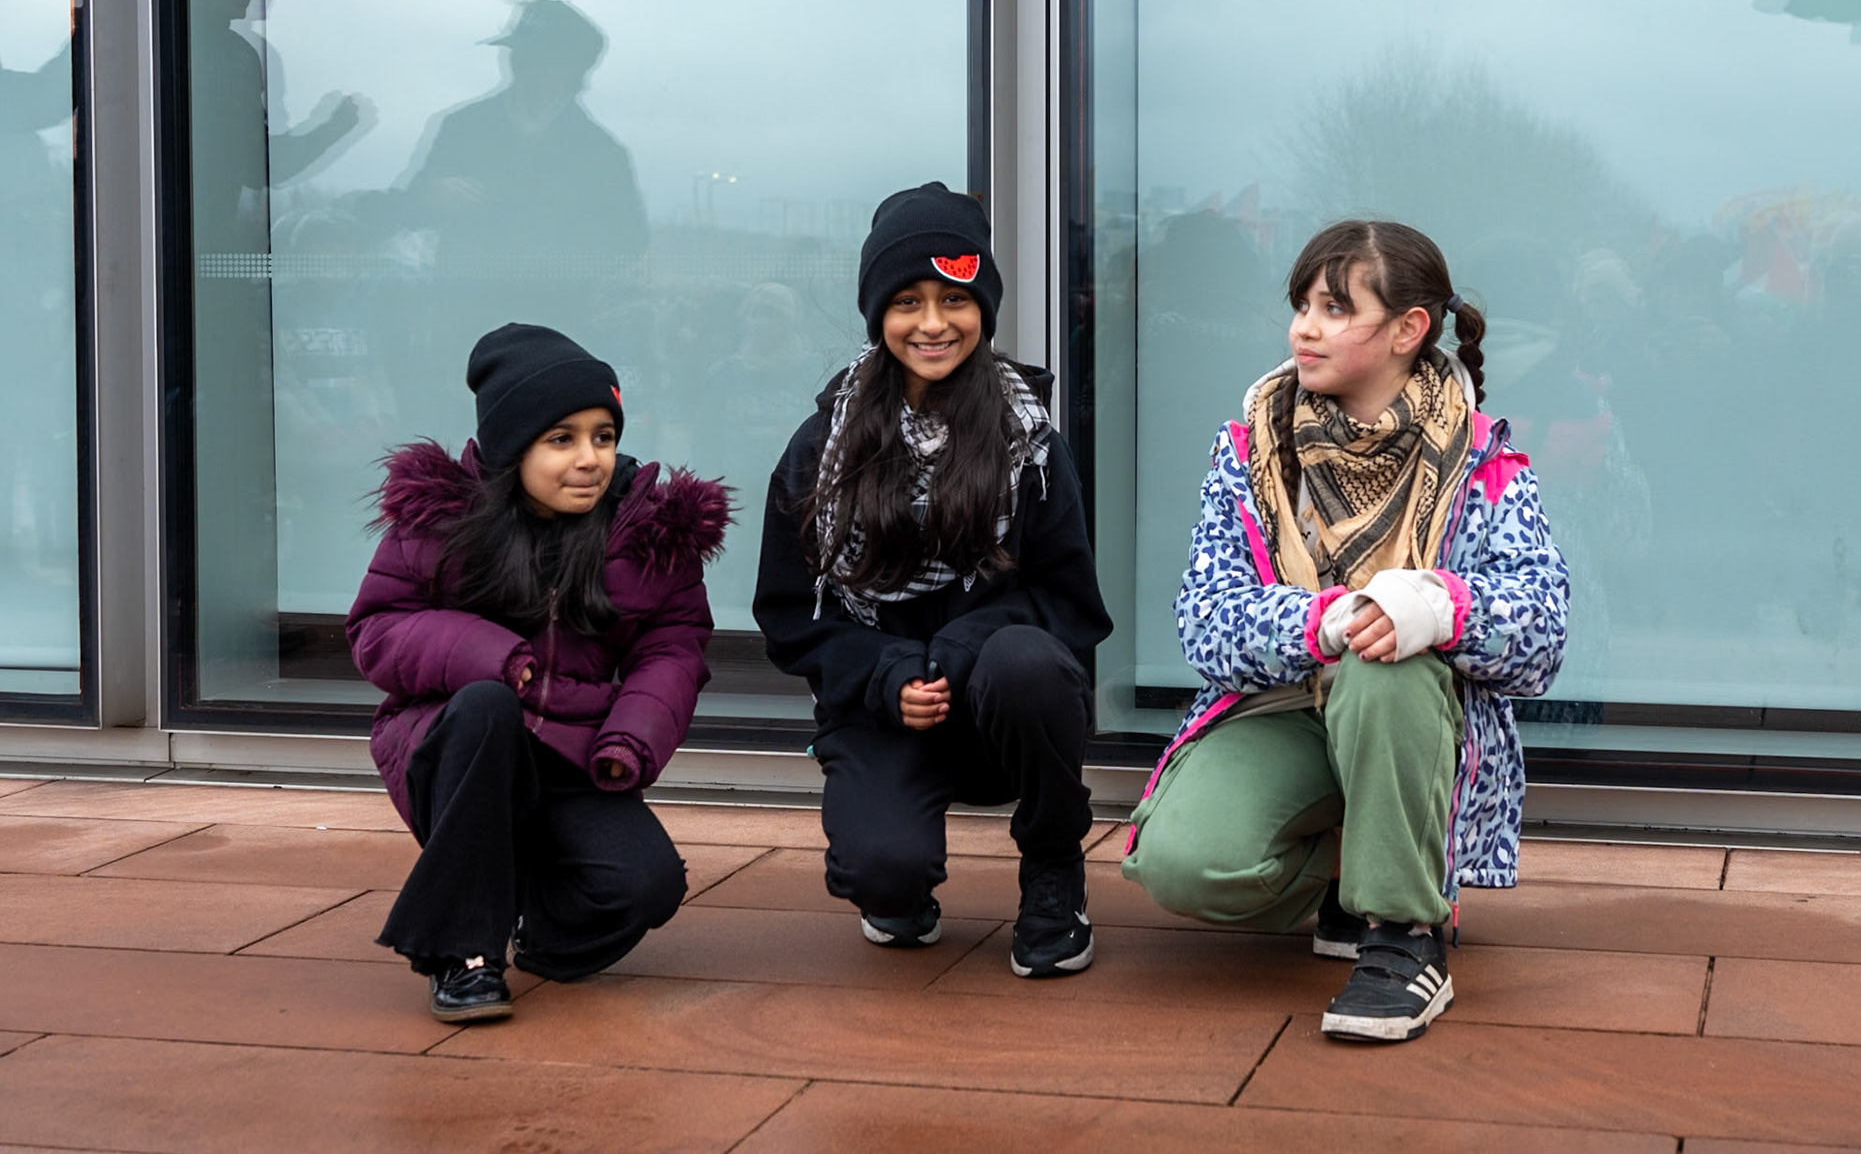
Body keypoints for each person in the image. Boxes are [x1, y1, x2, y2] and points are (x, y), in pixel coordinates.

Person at [1120, 220, 1568, 1042]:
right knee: (1183, 864)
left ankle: (1404, 934)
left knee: (1390, 653)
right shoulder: (1248, 450)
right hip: (1284, 705)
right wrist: (1323, 618)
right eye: (1301, 305)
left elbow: (1542, 630)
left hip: (1410, 717)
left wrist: (1437, 607)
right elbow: (1206, 619)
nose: (1304, 327)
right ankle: (1351, 876)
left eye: (1334, 307)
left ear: (1408, 330)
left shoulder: (1483, 460)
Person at [753, 182, 1113, 977]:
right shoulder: (823, 446)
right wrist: (888, 678)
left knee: (1029, 665)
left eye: (955, 299)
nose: (932, 323)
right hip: (881, 710)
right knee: (882, 874)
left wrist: (961, 646)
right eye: (907, 301)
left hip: (992, 705)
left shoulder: (1032, 447)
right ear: (876, 313)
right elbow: (787, 615)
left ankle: (1054, 870)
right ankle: (899, 875)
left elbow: (1070, 604)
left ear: (984, 307)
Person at [347, 323, 729, 1021]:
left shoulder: (647, 536)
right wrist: (494, 657)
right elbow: (376, 631)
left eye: (603, 436)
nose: (590, 460)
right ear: (510, 446)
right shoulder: (441, 522)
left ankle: (527, 922)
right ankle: (463, 952)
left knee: (648, 887)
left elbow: (672, 651)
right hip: (456, 743)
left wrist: (629, 738)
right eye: (562, 439)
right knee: (488, 707)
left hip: (570, 756)